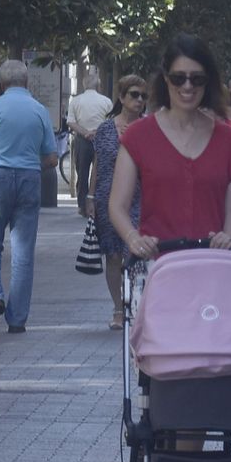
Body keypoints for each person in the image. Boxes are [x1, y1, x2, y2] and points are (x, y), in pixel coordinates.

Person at [111, 35, 231, 462]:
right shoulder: (141, 136)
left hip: (212, 274)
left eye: (196, 78)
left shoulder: (229, 136)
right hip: (161, 272)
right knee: (166, 383)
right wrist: (132, 238)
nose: (187, 87)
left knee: (205, 382)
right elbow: (119, 204)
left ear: (208, 81)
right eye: (178, 78)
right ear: (163, 81)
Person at [0, 60, 58, 334]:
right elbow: (53, 158)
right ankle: (17, 318)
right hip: (30, 179)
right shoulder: (40, 111)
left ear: (2, 84)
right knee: (22, 252)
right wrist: (31, 165)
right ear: (27, 82)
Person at [91, 74, 148, 329]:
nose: (139, 100)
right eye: (134, 95)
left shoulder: (149, 129)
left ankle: (134, 305)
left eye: (143, 96)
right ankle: (117, 308)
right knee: (113, 256)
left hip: (141, 198)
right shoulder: (105, 129)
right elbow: (99, 164)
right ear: (122, 97)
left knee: (134, 254)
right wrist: (90, 198)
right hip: (107, 198)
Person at [65, 71, 112, 217]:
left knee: (82, 173)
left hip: (82, 140)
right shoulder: (106, 101)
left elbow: (71, 122)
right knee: (101, 173)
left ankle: (82, 206)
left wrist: (85, 132)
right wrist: (96, 132)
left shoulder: (76, 101)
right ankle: (98, 204)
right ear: (98, 85)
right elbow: (110, 122)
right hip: (101, 139)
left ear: (84, 84)